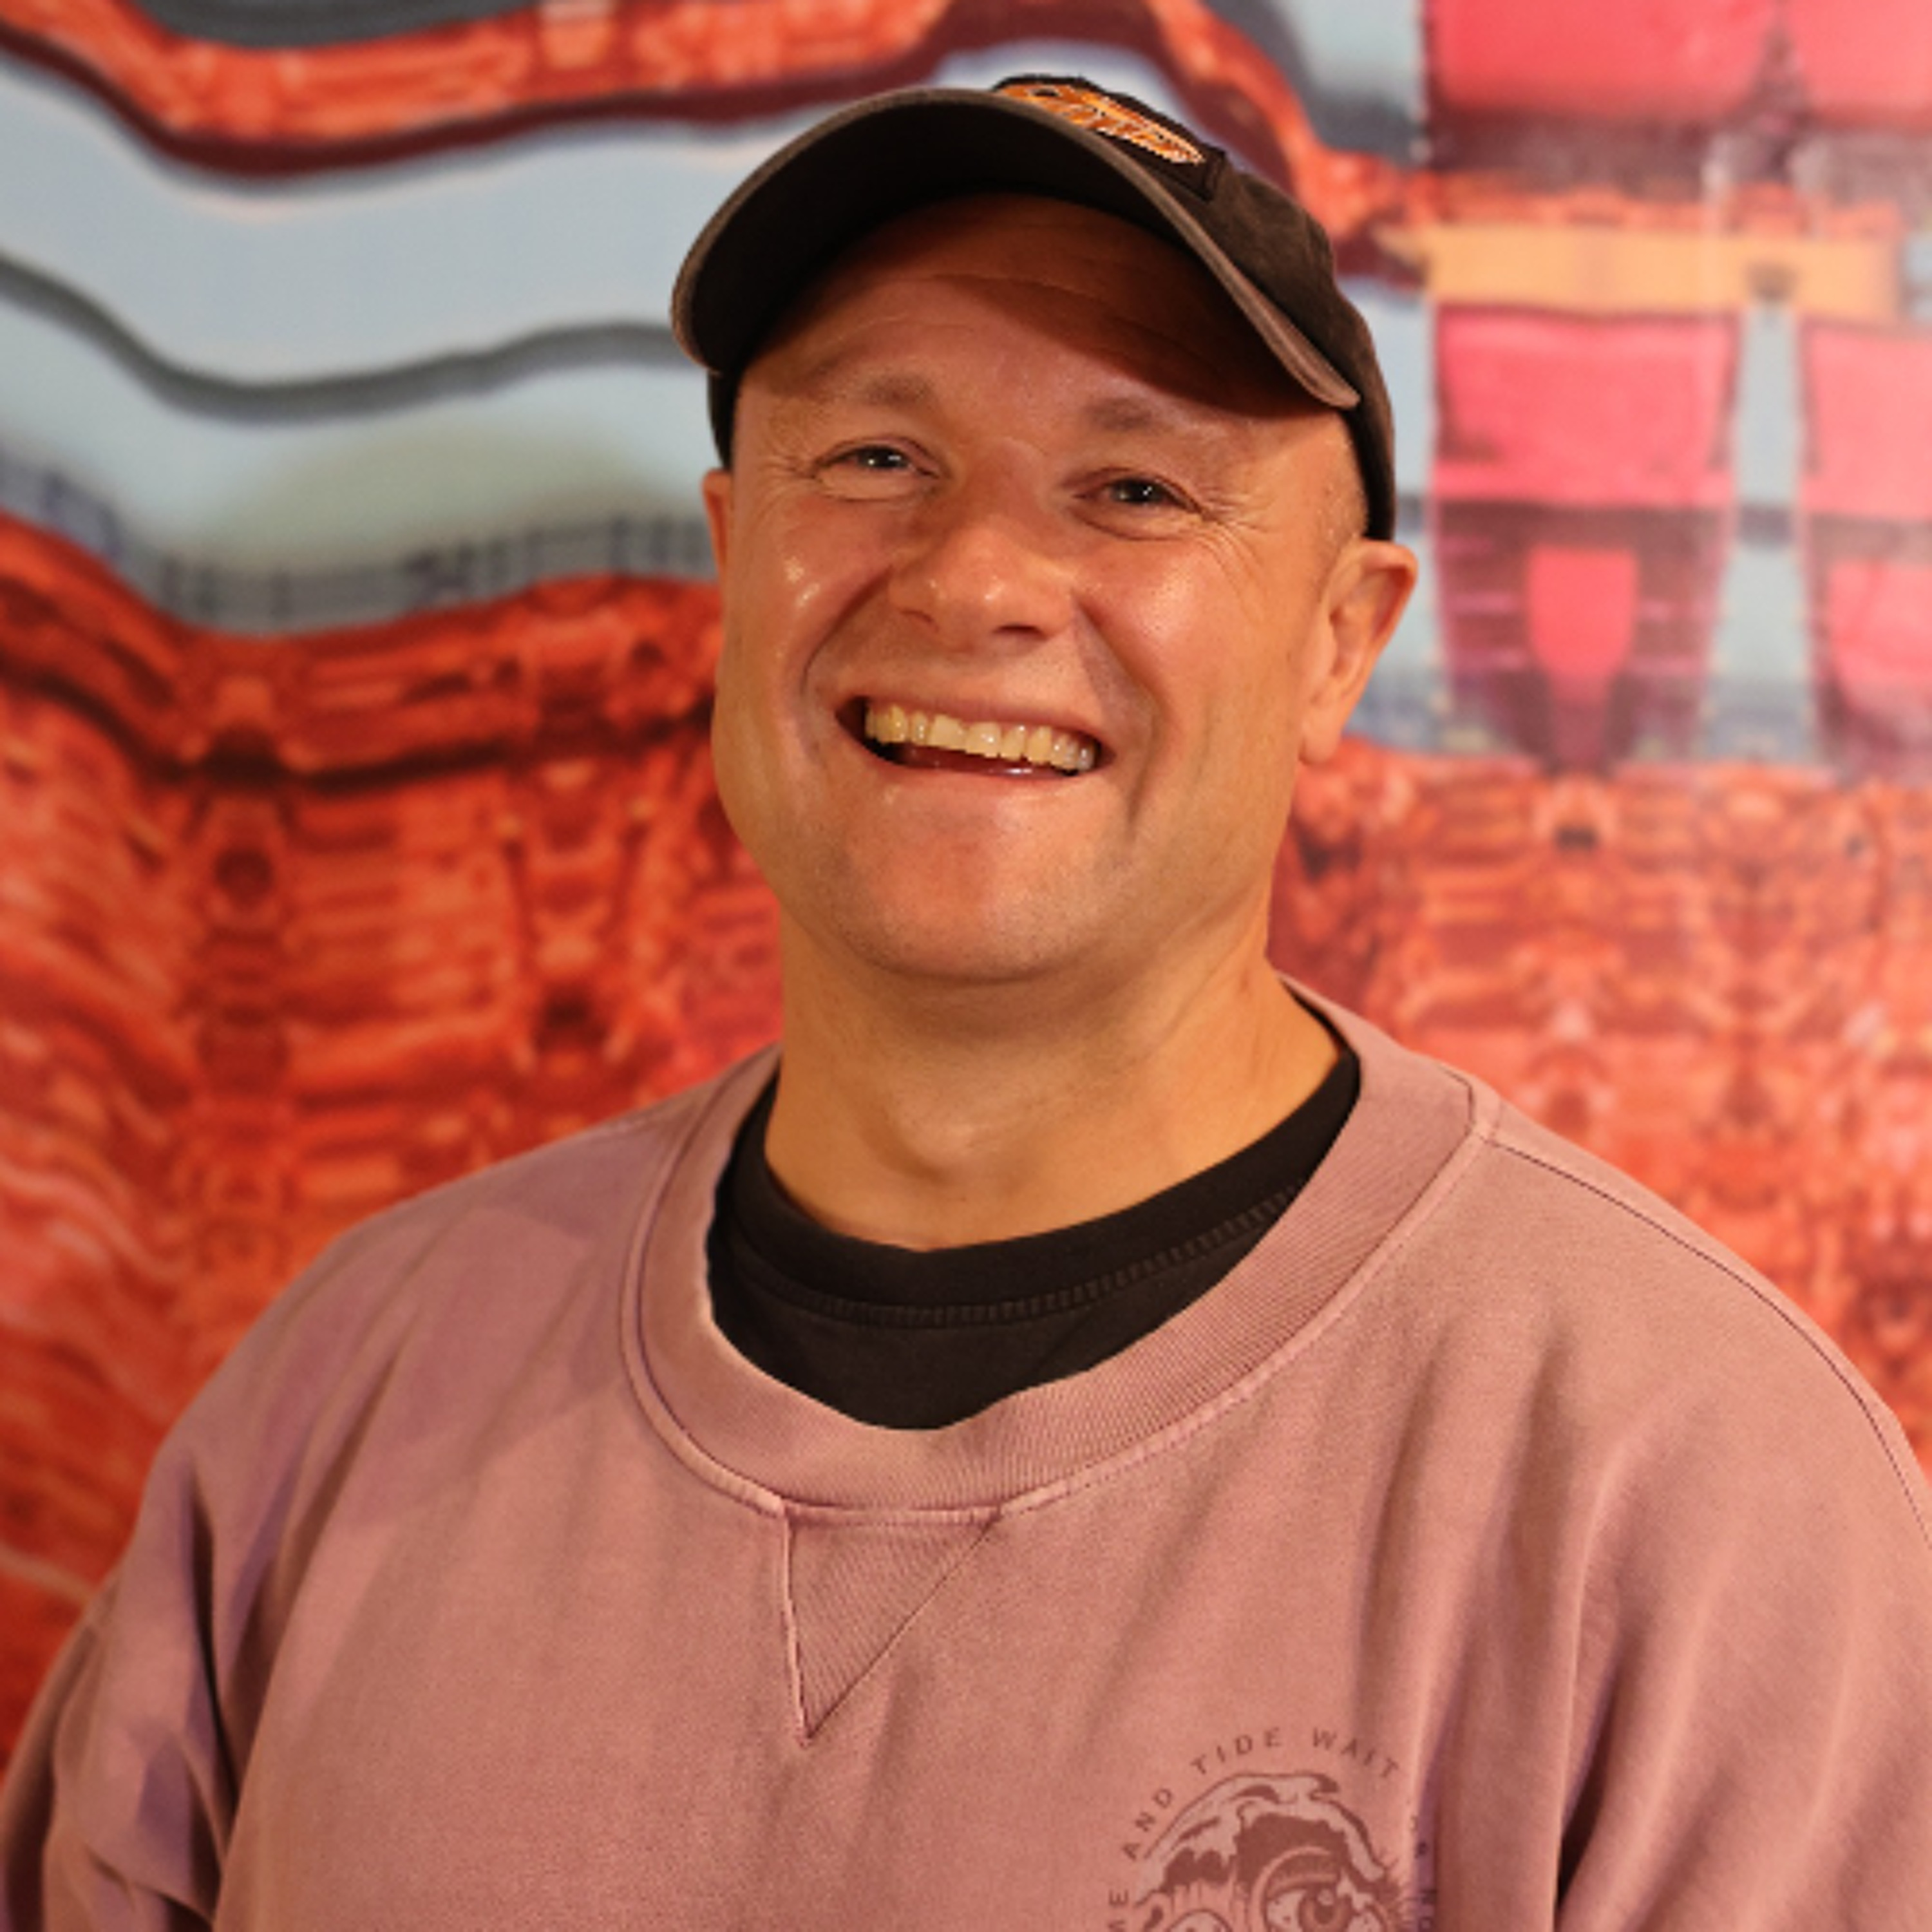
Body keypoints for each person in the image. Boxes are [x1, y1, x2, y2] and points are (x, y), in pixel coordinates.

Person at [4, 74, 1931, 1930]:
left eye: (1137, 487)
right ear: (735, 554)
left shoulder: (1681, 1483)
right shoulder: (348, 1390)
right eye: (875, 460)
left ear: (1342, 643)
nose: (977, 578)